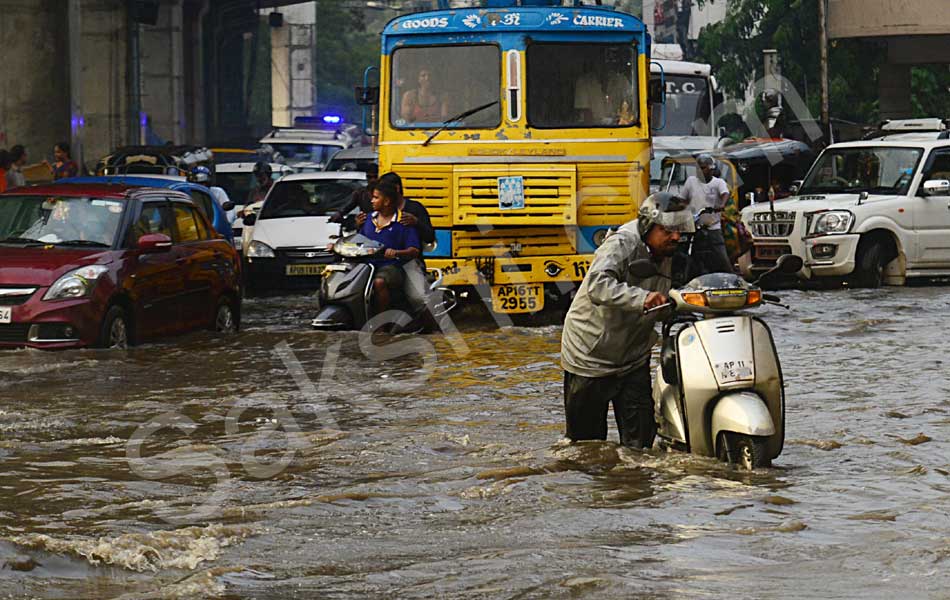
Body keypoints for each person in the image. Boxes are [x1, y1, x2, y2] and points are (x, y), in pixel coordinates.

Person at [561, 192, 695, 449]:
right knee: (587, 448)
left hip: (633, 354)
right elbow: (597, 285)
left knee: (641, 445)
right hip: (591, 354)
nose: (676, 237)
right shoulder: (622, 244)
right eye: (668, 230)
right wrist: (641, 298)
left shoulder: (669, 251)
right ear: (648, 226)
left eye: (679, 230)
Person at [358, 179, 420, 314]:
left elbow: (414, 250)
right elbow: (358, 240)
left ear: (386, 201)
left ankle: (382, 324)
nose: (372, 201)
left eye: (375, 198)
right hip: (367, 266)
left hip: (393, 267)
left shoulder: (403, 221)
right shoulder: (367, 220)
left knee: (379, 282)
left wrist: (397, 252)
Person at [681, 153, 733, 276]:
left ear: (711, 169)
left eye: (703, 167)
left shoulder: (718, 183)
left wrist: (721, 205)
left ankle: (732, 278)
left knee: (721, 255)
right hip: (694, 224)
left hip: (712, 226)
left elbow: (725, 193)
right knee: (685, 250)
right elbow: (683, 199)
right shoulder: (691, 181)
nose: (700, 171)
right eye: (698, 167)